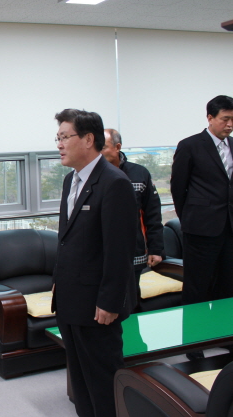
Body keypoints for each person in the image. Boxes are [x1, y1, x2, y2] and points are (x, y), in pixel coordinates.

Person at [51, 109, 137, 417]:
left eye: (65, 137)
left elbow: (119, 250)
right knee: (80, 383)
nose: (59, 144)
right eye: (57, 137)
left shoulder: (115, 183)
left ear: (88, 139)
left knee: (103, 383)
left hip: (98, 307)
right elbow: (68, 241)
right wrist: (58, 283)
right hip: (70, 299)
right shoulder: (69, 181)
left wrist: (110, 301)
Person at [171, 95, 233, 305]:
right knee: (197, 287)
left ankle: (225, 326)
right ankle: (196, 327)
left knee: (227, 285)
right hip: (200, 229)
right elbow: (178, 188)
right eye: (225, 119)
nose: (230, 125)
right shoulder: (190, 145)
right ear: (210, 118)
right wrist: (188, 220)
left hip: (231, 228)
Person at [101, 128, 164, 305]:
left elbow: (152, 214)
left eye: (103, 147)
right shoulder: (92, 175)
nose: (98, 152)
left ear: (117, 147)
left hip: (133, 252)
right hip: (101, 254)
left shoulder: (139, 173)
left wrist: (156, 249)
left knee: (130, 301)